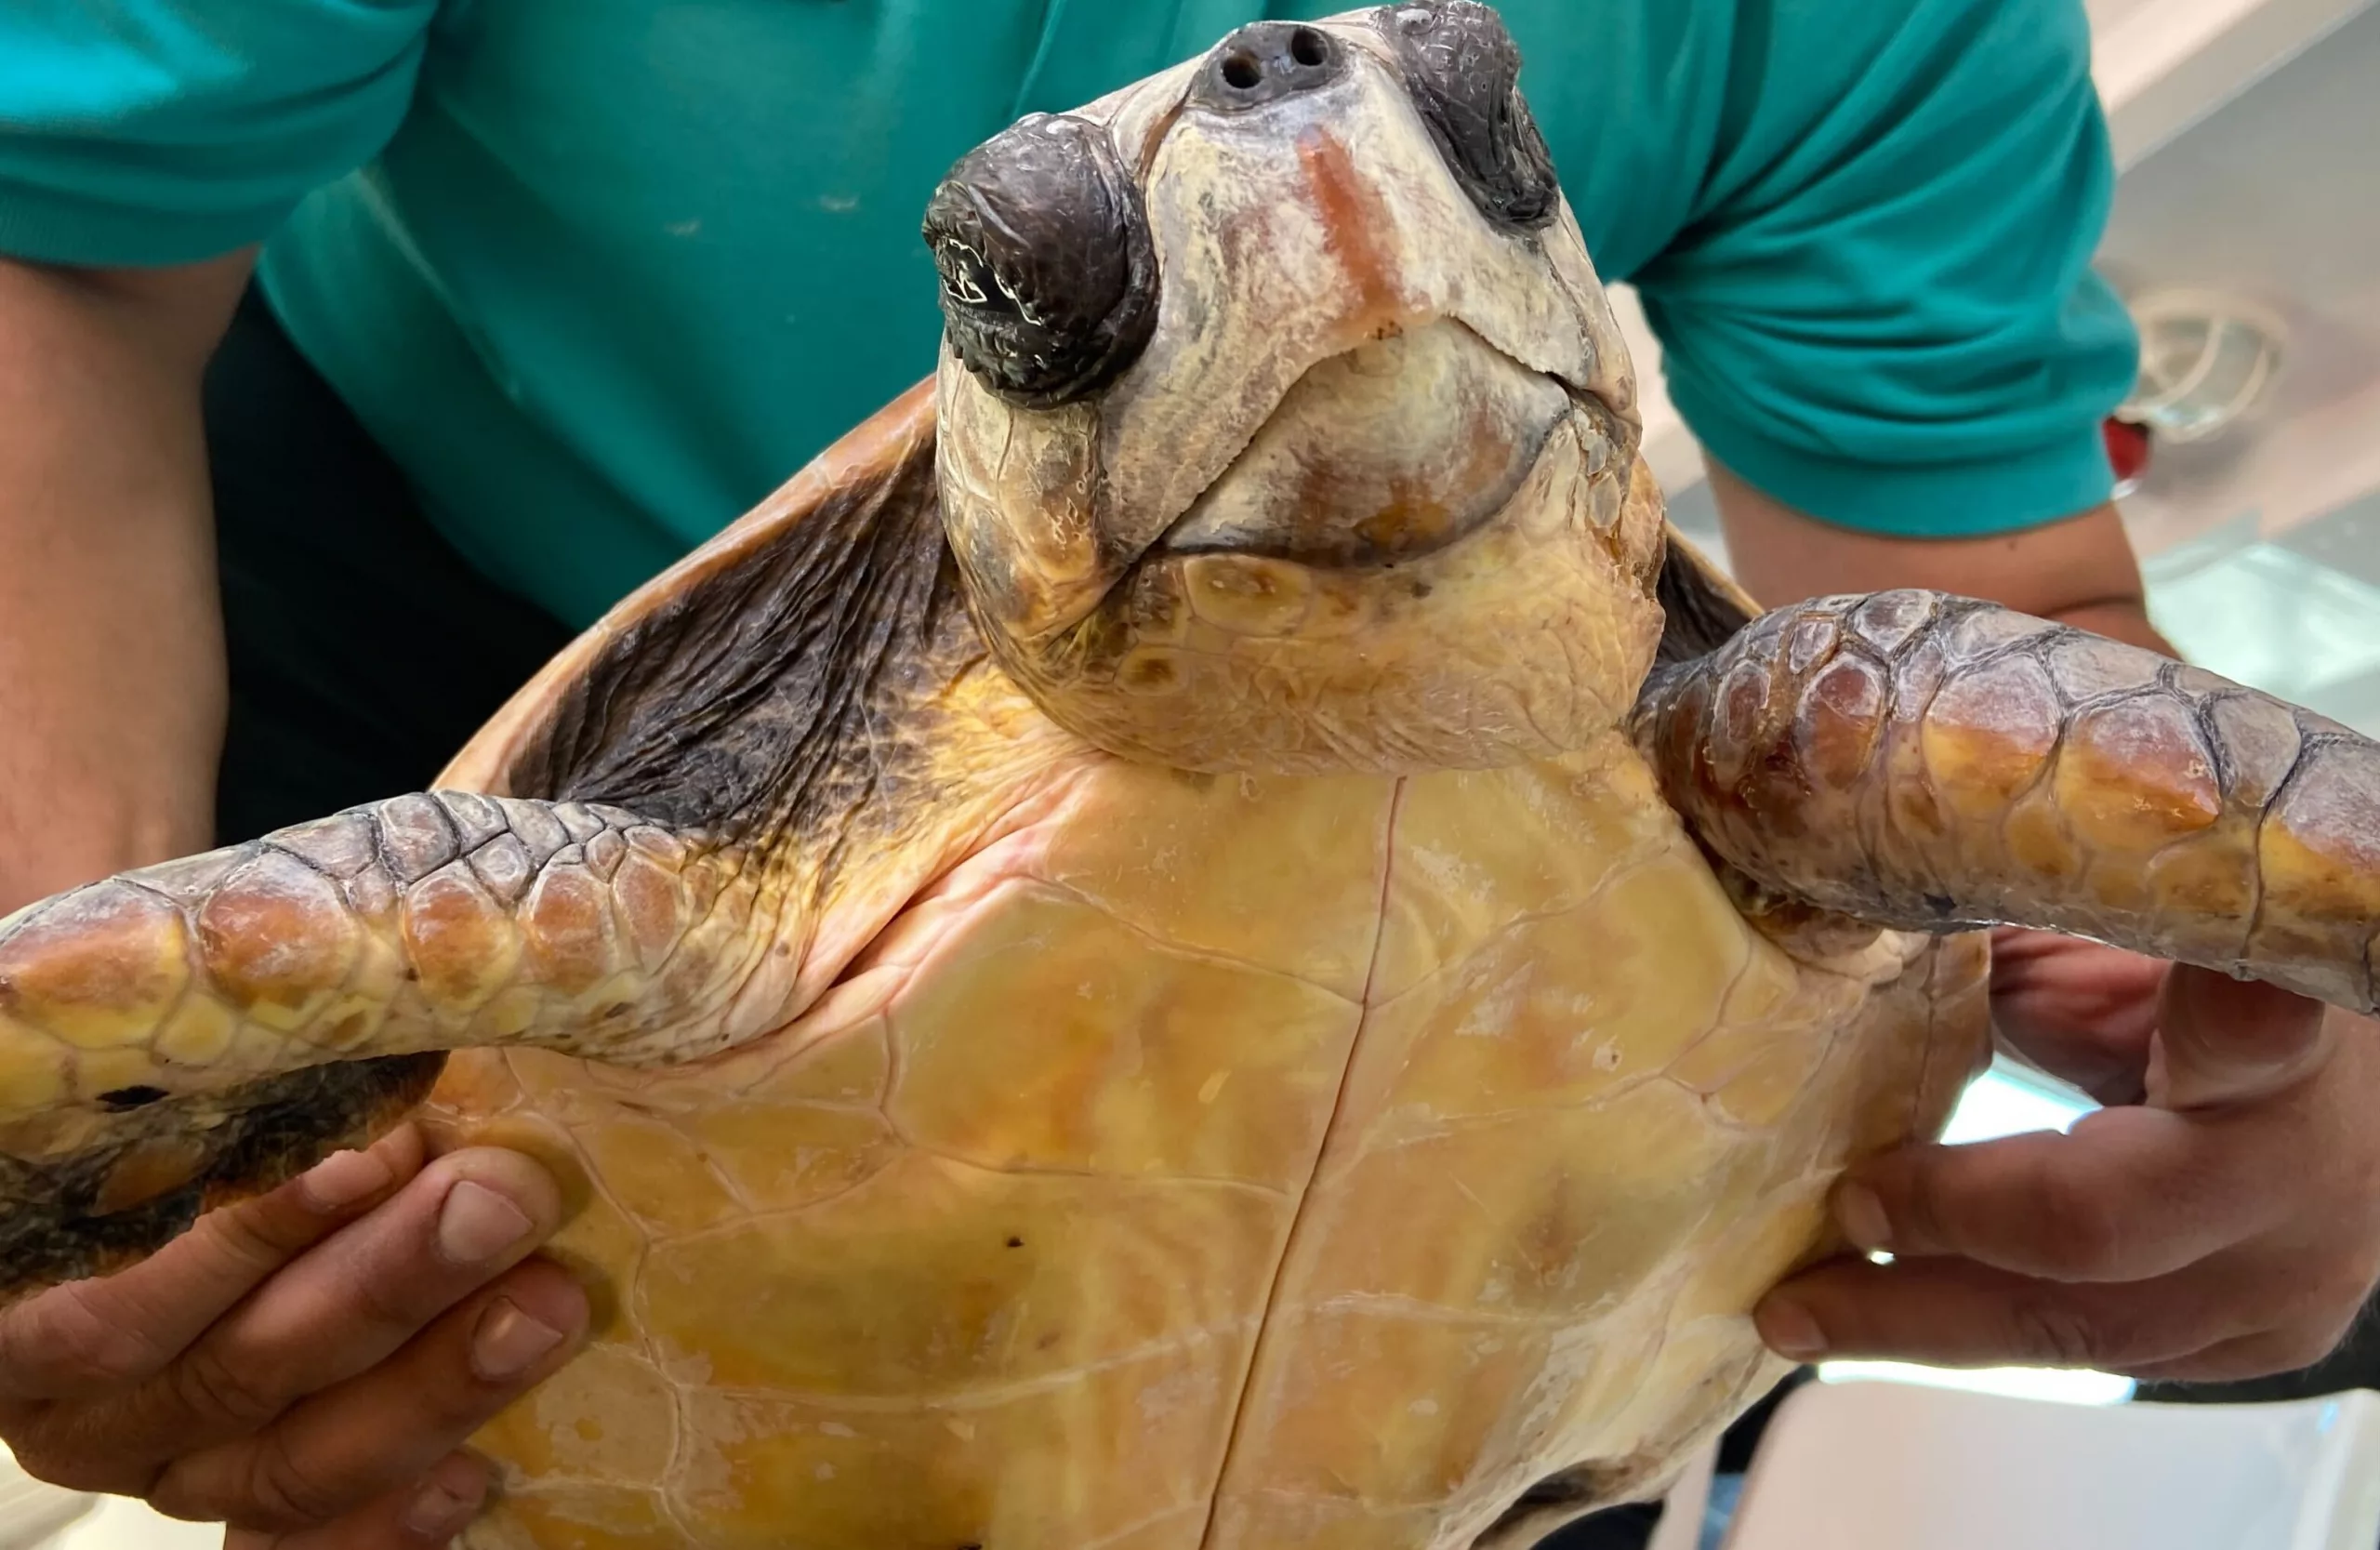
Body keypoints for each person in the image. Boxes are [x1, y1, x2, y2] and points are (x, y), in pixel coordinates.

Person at [2, 2, 2374, 1545]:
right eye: (1060, 275)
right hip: (443, 601)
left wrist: (2294, 1063)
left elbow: (2017, 600)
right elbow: (63, 244)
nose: (1340, 187)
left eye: (1477, 144)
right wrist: (86, 1216)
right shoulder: (592, 907)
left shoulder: (1808, 710)